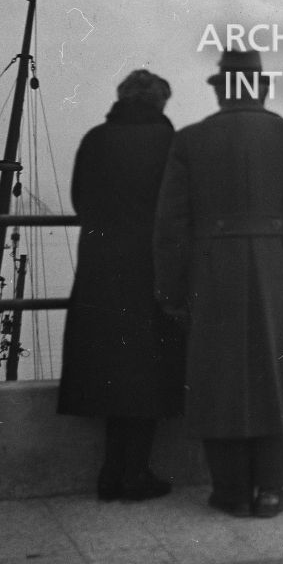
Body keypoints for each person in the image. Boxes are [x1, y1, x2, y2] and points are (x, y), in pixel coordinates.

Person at [154, 49, 283, 519]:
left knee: (220, 377)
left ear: (219, 90)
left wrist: (172, 292)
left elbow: (170, 227)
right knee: (279, 374)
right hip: (279, 268)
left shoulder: (190, 140)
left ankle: (231, 491)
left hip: (212, 270)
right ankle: (272, 490)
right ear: (261, 88)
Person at [57, 69, 185, 502]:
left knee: (111, 374)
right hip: (152, 269)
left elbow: (80, 201)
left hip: (100, 270)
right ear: (160, 102)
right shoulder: (170, 143)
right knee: (149, 373)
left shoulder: (95, 139)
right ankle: (135, 474)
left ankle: (111, 473)